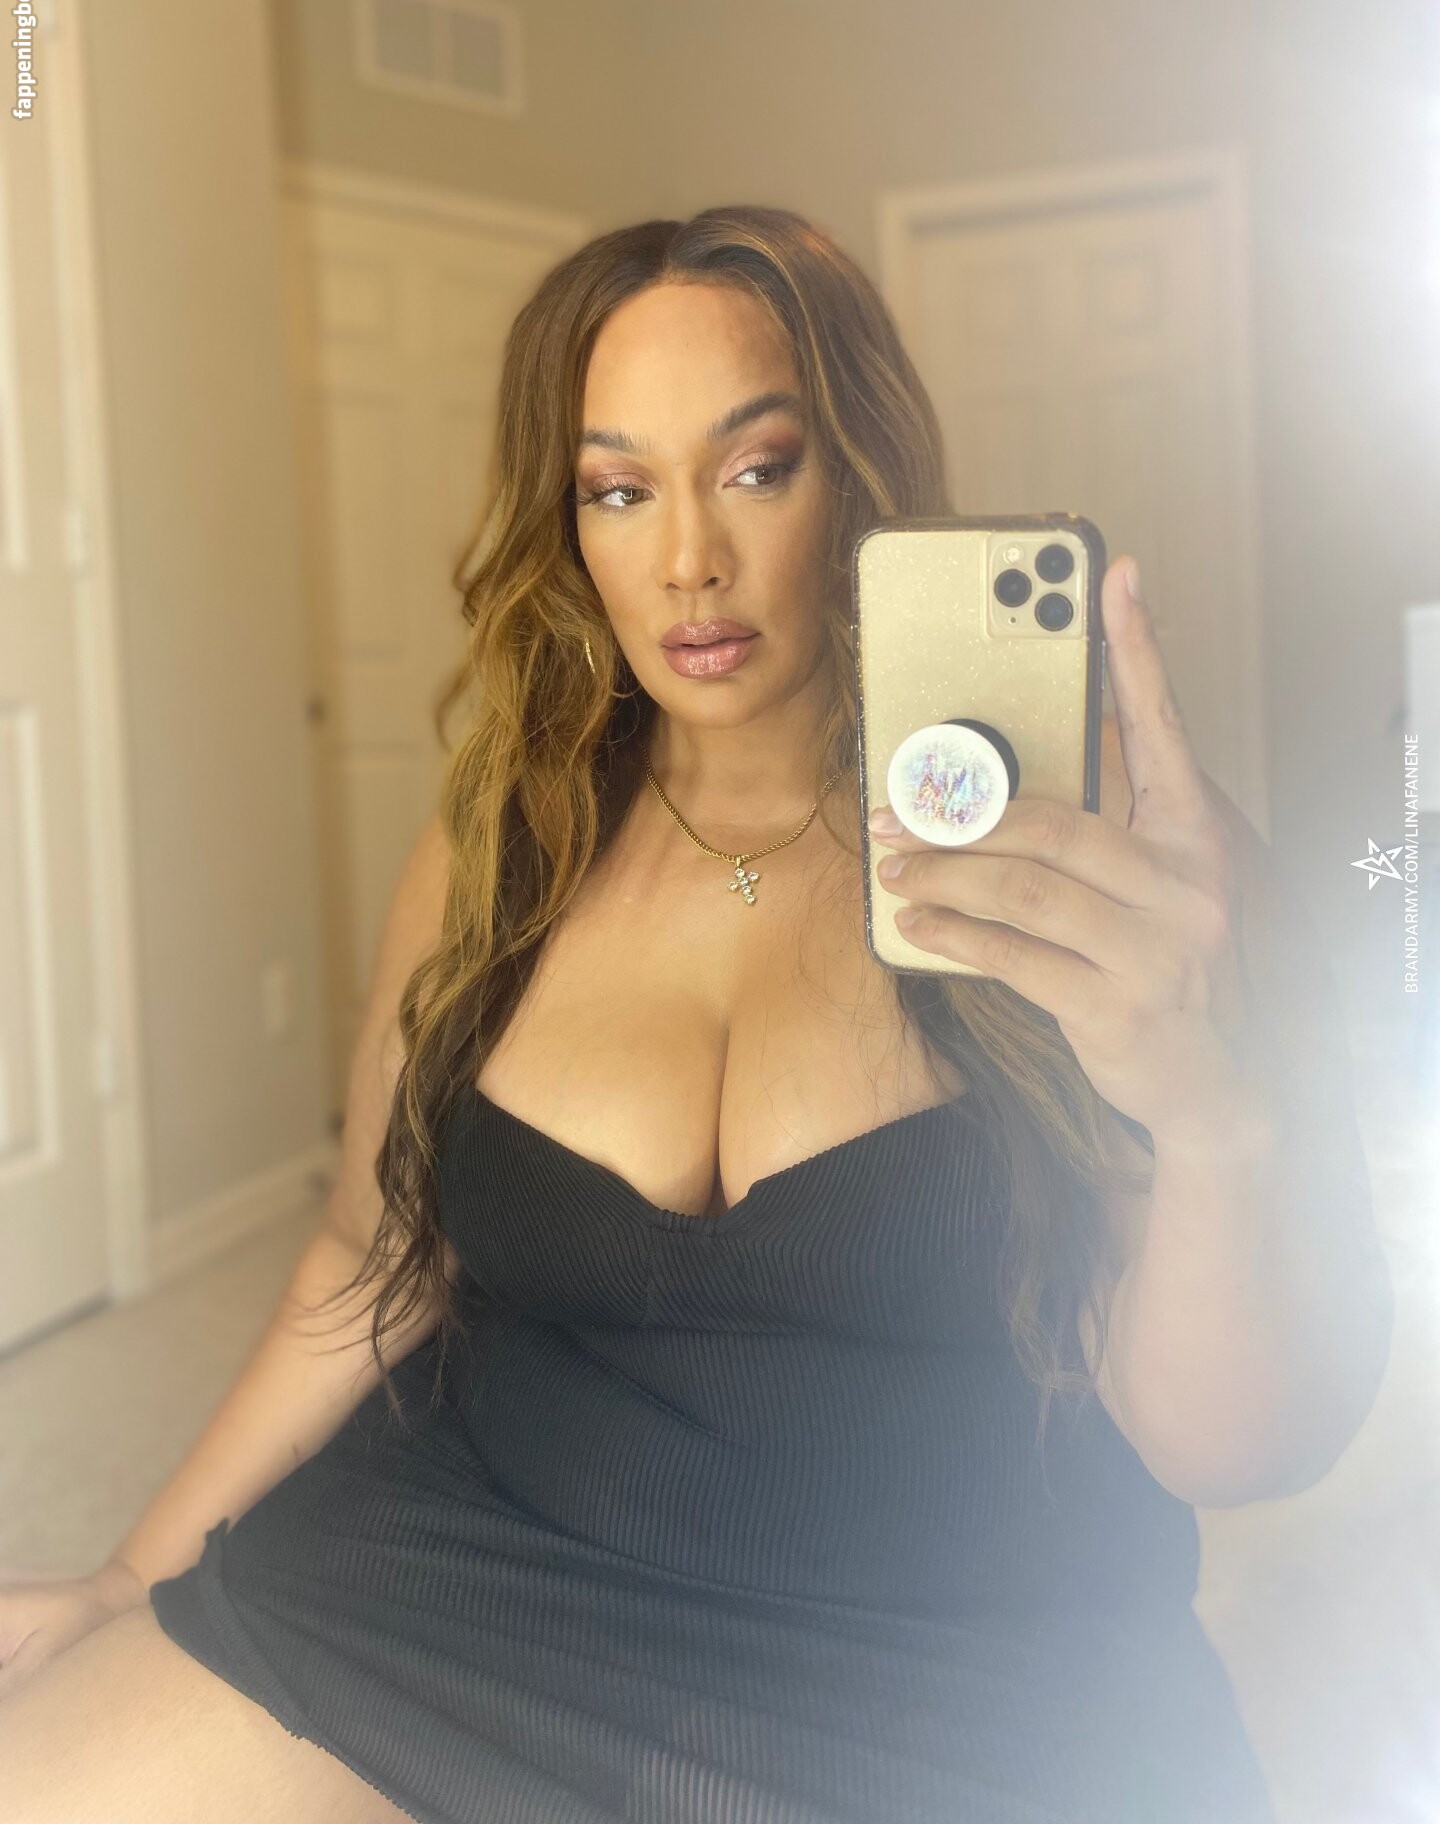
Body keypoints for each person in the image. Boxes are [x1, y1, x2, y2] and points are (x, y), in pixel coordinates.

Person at [0, 206, 1393, 1823]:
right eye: (619, 489)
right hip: (464, 1570)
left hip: (953, 1666)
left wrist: (1217, 1128)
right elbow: (364, 1256)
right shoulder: (498, 849)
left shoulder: (1106, 864)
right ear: (567, 520)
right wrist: (129, 1573)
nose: (687, 563)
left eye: (755, 468)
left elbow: (1246, 1452)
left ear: (853, 474)